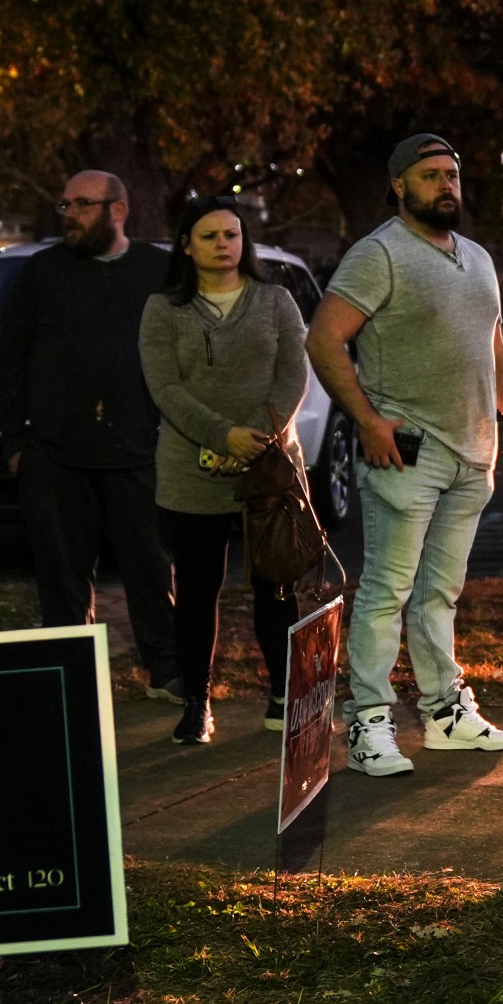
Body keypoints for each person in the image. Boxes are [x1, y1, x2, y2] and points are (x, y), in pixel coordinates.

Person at [310, 134, 503, 777]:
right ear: (401, 185)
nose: (447, 186)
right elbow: (324, 341)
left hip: (474, 454)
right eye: (432, 175)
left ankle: (445, 716)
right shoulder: (378, 254)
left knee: (440, 594)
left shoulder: (478, 258)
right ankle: (369, 724)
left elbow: (492, 344)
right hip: (406, 452)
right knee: (386, 591)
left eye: (454, 175)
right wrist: (368, 421)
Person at [0, 170, 179, 699]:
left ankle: (166, 673)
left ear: (117, 211)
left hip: (138, 450)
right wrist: (16, 442)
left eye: (82, 204)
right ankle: (70, 680)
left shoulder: (157, 270)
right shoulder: (41, 272)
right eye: (65, 204)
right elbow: (11, 358)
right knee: (62, 578)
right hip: (54, 454)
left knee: (150, 568)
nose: (69, 214)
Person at [141, 197, 310, 745]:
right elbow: (165, 388)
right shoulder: (163, 309)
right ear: (186, 245)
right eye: (209, 235)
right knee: (196, 590)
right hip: (190, 472)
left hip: (269, 469)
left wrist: (257, 438)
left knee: (274, 585)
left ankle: (283, 697)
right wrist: (222, 436)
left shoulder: (276, 300)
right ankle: (196, 703)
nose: (223, 244)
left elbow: (293, 375)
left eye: (232, 234)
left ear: (245, 243)